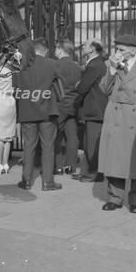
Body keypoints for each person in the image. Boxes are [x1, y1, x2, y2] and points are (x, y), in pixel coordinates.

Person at [98, 35, 136, 213]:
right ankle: (115, 197)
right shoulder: (111, 65)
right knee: (114, 159)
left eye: (121, 49)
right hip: (116, 115)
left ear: (133, 50)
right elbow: (104, 90)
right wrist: (112, 71)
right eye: (117, 49)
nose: (117, 53)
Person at [13, 37, 63, 191]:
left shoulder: (21, 65)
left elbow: (15, 88)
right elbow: (61, 83)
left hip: (27, 110)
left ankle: (26, 180)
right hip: (48, 110)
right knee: (48, 146)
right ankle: (48, 182)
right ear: (45, 50)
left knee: (28, 146)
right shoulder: (52, 64)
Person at [72, 40, 108, 183]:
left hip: (95, 108)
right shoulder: (97, 62)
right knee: (89, 141)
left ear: (93, 48)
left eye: (86, 45)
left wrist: (79, 85)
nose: (83, 48)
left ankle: (95, 172)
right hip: (95, 108)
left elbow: (82, 87)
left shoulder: (94, 65)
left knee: (92, 143)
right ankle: (87, 171)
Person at [53, 39, 82, 175]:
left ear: (59, 49)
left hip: (59, 103)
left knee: (56, 135)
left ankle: (57, 166)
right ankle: (70, 165)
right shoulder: (77, 66)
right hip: (73, 103)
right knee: (72, 136)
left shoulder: (55, 65)